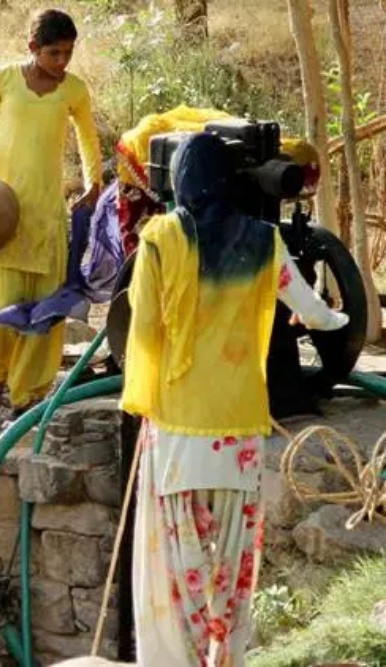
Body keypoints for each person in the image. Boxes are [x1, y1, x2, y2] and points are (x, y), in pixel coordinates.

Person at [120, 133, 348, 666]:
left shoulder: (158, 240)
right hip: (240, 431)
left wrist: (145, 393)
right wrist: (334, 317)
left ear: (179, 181)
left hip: (177, 427)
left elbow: (145, 330)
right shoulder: (264, 241)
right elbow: (317, 314)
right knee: (231, 569)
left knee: (180, 575)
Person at [0, 9, 103, 415]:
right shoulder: (3, 80)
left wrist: (94, 183)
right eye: (54, 53)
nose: (62, 62)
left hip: (45, 213)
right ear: (32, 49)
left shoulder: (74, 89)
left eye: (68, 53)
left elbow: (88, 139)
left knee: (44, 306)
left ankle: (29, 392)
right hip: (1, 209)